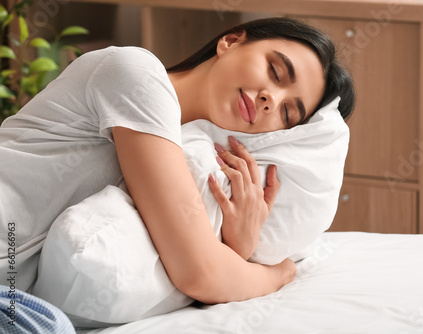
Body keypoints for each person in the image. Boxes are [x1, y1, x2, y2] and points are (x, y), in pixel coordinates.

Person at [0, 16, 354, 311]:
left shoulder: (188, 147)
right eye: (275, 71)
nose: (269, 100)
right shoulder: (137, 74)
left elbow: (196, 265)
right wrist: (280, 272)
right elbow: (200, 274)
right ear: (230, 41)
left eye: (287, 113)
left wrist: (235, 251)